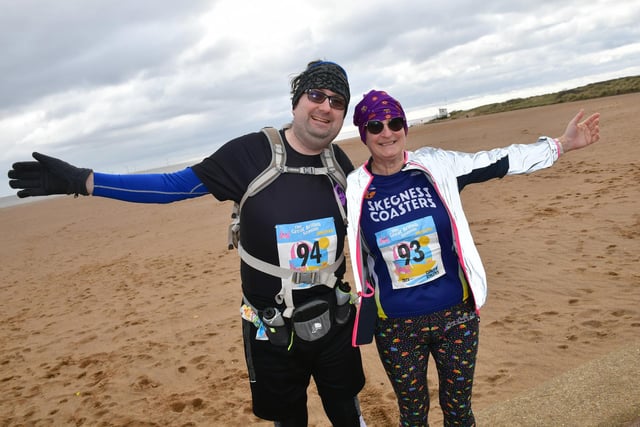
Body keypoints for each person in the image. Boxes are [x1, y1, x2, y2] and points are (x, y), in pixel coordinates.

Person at [8, 60, 367, 427]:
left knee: (346, 411)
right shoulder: (249, 155)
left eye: (337, 101)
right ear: (296, 101)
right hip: (272, 327)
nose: (325, 107)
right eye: (316, 95)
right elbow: (171, 186)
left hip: (335, 319)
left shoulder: (337, 161)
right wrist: (84, 181)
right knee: (288, 419)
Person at [345, 90, 600, 426]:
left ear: (405, 126)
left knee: (460, 413)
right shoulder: (351, 189)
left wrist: (560, 145)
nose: (387, 132)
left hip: (456, 317)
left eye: (394, 122)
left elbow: (498, 160)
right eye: (376, 125)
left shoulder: (438, 166)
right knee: (412, 417)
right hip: (396, 325)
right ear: (364, 134)